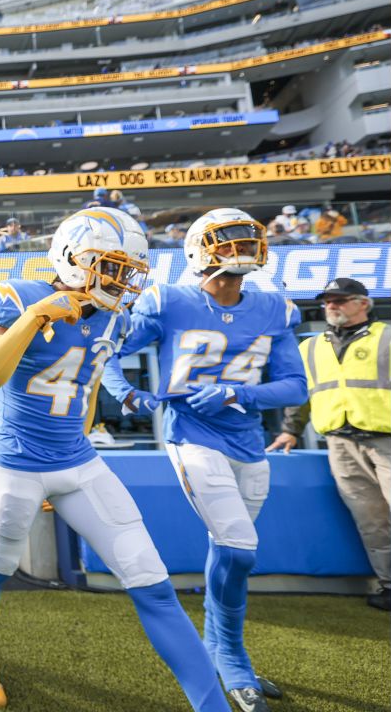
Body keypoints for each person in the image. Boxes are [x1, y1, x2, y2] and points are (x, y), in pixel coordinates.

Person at [0, 207, 227, 711]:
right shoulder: (20, 296)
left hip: (78, 463)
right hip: (17, 462)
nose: (119, 280)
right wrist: (37, 315)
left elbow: (85, 391)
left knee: (152, 582)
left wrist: (80, 437)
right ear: (70, 258)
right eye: (109, 266)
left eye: (126, 270)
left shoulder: (117, 318)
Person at [101, 208, 308, 712]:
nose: (238, 247)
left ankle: (218, 647)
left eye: (244, 237)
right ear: (198, 249)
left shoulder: (276, 308)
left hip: (246, 439)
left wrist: (236, 394)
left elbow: (296, 385)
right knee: (239, 548)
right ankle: (232, 656)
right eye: (225, 240)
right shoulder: (169, 301)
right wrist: (127, 396)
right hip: (191, 435)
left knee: (229, 545)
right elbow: (106, 349)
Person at [267, 278, 391, 611]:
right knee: (371, 520)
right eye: (326, 302)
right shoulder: (310, 347)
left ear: (363, 303)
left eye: (339, 300)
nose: (331, 306)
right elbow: (301, 394)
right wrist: (291, 429)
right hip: (340, 443)